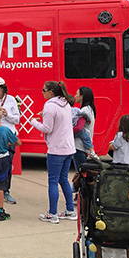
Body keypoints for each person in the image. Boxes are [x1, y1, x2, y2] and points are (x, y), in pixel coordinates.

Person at [30, 81, 76, 224]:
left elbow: (47, 128)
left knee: (53, 181)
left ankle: (53, 213)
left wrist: (33, 121)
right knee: (64, 179)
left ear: (51, 92)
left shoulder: (50, 106)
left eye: (43, 90)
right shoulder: (66, 103)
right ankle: (70, 210)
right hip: (69, 147)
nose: (42, 92)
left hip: (56, 149)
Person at [72, 86, 97, 171]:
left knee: (80, 173)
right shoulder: (90, 109)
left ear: (82, 96)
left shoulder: (84, 110)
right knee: (82, 173)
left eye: (77, 94)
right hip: (83, 147)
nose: (75, 96)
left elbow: (78, 128)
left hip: (79, 146)